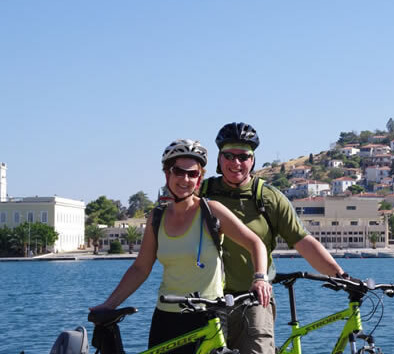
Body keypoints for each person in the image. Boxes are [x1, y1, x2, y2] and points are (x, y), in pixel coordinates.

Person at [90, 139, 272, 353]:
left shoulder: (211, 211)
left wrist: (260, 278)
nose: (185, 179)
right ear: (167, 174)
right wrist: (109, 304)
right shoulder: (156, 217)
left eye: (193, 174)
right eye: (179, 171)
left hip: (207, 315)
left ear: (199, 178)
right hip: (165, 317)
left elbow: (255, 243)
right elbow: (140, 268)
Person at [200, 122, 346, 354]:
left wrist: (340, 275)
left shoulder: (269, 198)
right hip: (205, 300)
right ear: (219, 158)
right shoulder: (200, 193)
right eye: (229, 156)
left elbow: (303, 242)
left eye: (243, 156)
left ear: (253, 160)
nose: (236, 163)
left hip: (253, 298)